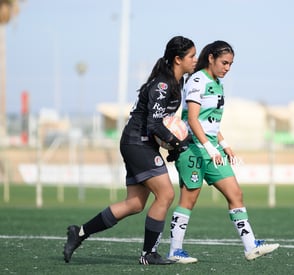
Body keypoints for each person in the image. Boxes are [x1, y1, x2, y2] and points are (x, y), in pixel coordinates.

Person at [63, 36, 197, 265]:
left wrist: (172, 144)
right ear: (178, 59)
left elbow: (161, 123)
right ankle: (148, 254)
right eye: (192, 56)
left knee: (134, 204)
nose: (195, 60)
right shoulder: (163, 85)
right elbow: (154, 125)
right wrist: (177, 143)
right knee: (165, 194)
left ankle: (80, 232)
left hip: (141, 143)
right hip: (138, 143)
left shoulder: (177, 83)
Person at [167, 40, 279, 264]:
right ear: (211, 58)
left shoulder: (218, 83)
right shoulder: (198, 80)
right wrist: (209, 148)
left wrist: (225, 145)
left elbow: (211, 123)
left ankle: (250, 246)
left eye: (231, 64)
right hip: (193, 149)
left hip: (212, 148)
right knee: (189, 200)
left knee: (235, 193)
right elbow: (192, 119)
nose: (227, 68)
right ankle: (175, 251)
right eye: (224, 62)